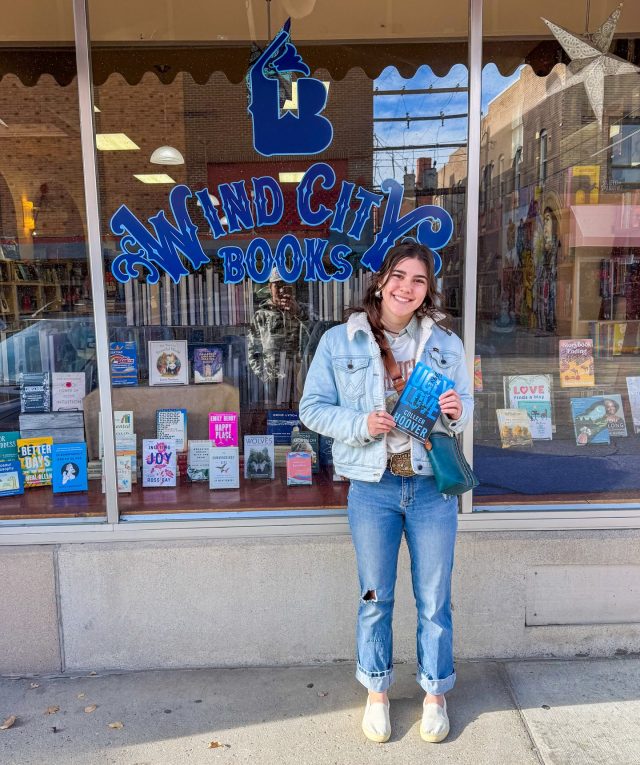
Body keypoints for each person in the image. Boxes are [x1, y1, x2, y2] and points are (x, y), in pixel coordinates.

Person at [299, 241, 473, 744]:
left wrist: (458, 410)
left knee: (435, 598)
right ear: (380, 281)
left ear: (427, 291)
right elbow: (312, 408)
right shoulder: (340, 341)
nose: (406, 287)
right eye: (399, 276)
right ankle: (377, 692)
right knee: (375, 596)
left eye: (418, 281)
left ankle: (435, 694)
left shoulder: (445, 344)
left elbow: (466, 406)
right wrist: (361, 424)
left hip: (431, 488)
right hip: (373, 488)